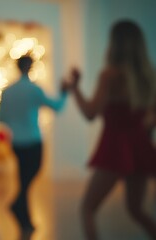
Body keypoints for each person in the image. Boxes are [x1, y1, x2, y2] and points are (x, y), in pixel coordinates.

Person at [67, 20, 156, 240]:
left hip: (115, 147)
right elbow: (150, 118)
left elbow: (90, 113)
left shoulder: (110, 75)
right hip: (139, 147)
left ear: (114, 44)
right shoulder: (149, 77)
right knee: (136, 210)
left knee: (87, 208)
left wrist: (75, 88)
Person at [0, 55, 67, 239]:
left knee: (24, 180)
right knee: (28, 178)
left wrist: (15, 121)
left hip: (16, 142)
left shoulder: (8, 91)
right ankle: (18, 208)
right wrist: (65, 92)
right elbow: (57, 107)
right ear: (30, 67)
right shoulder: (33, 90)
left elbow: (1, 118)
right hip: (33, 140)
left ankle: (24, 218)